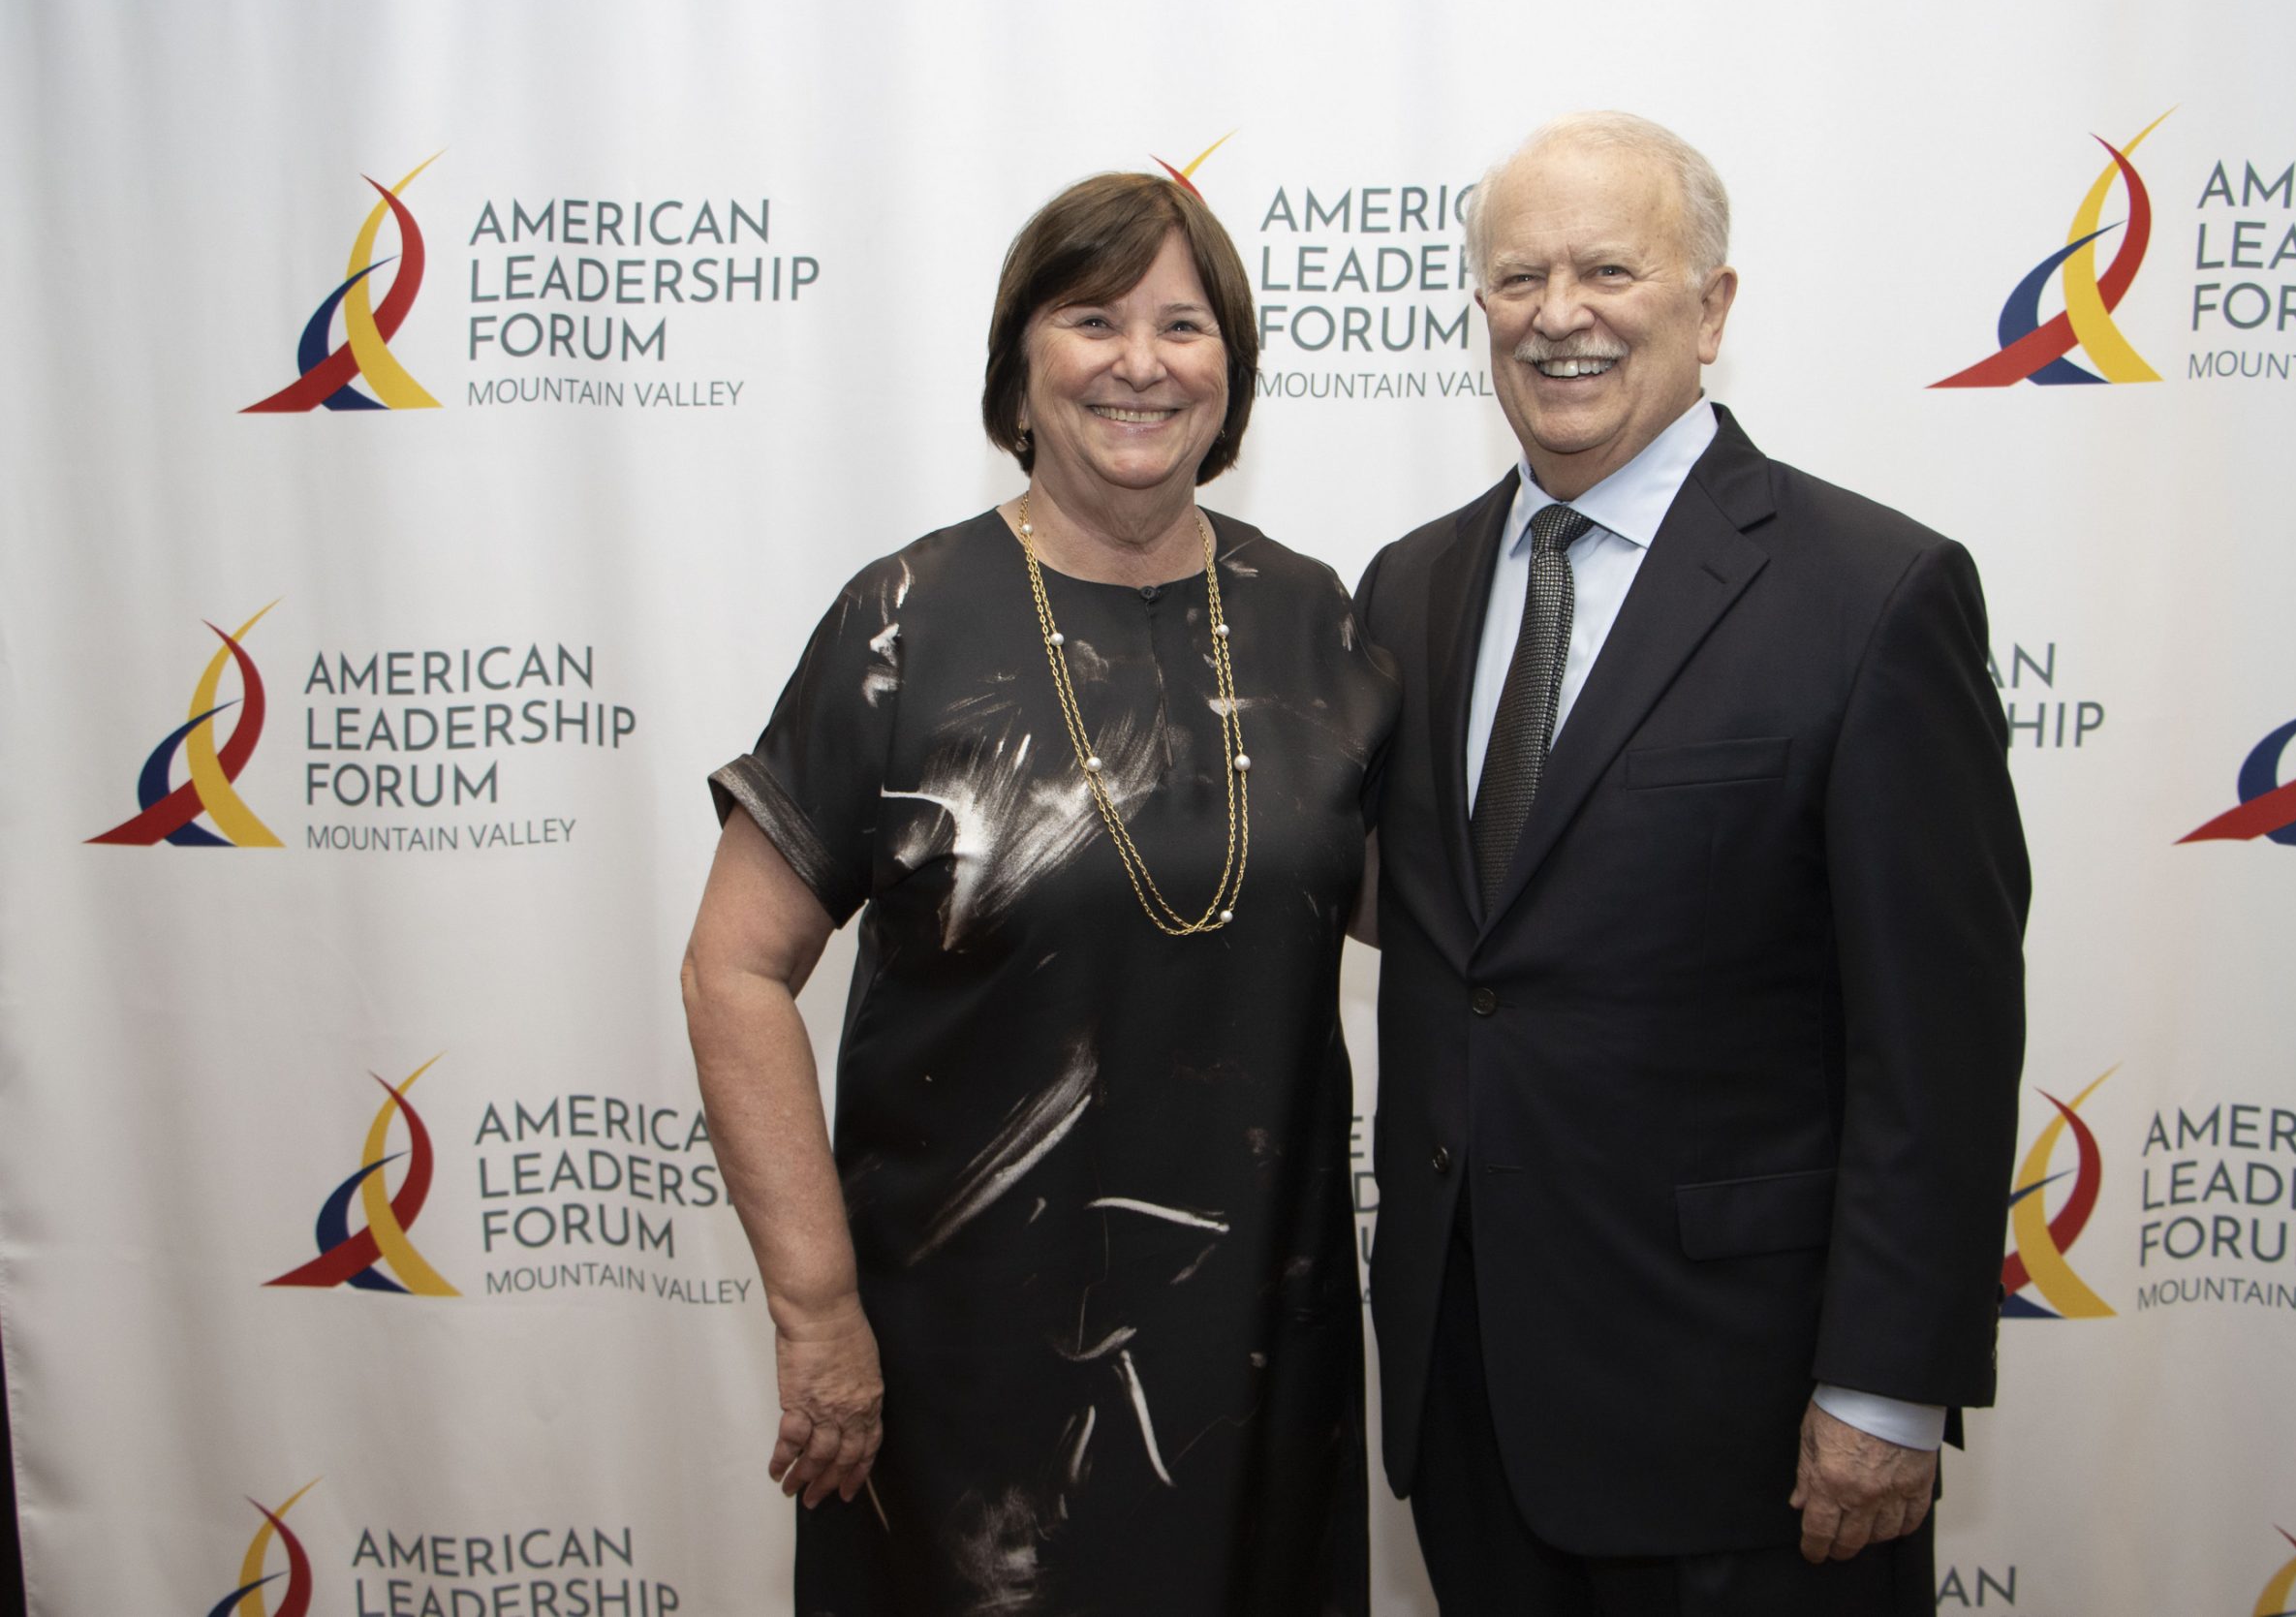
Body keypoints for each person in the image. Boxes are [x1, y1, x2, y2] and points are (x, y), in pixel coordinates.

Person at [682, 172, 1394, 1616]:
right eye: (1092, 319)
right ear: (1020, 366)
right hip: (961, 1369)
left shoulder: (1314, 618)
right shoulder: (903, 623)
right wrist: (817, 1310)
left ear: (1232, 374)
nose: (1141, 362)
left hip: (1258, 1354)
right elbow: (733, 970)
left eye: (1183, 325)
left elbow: (1439, 924)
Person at [1351, 112, 2032, 1615]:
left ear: (1712, 308)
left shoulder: (1873, 596)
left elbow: (1942, 1037)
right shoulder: (1409, 588)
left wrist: (1887, 1387)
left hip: (1751, 1431)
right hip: (1470, 1404)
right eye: (1517, 277)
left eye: (1609, 270)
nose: (1559, 314)